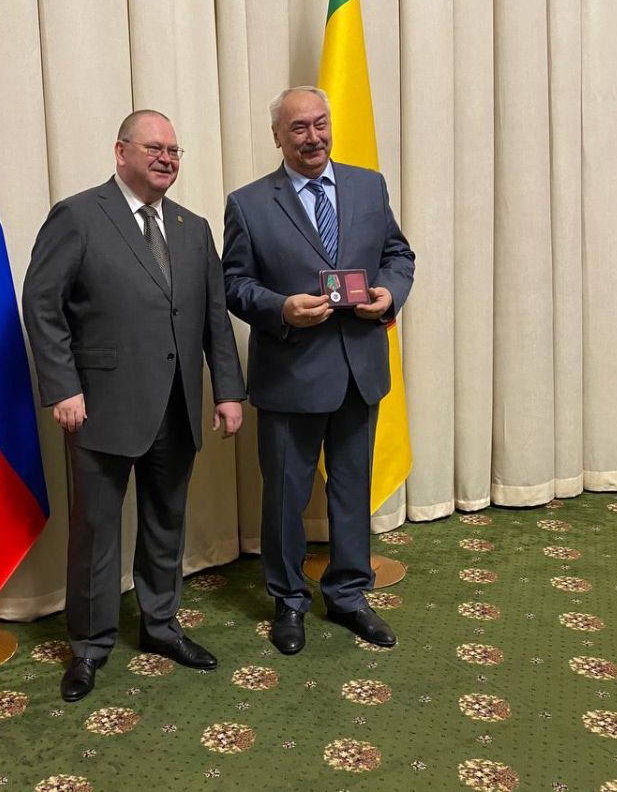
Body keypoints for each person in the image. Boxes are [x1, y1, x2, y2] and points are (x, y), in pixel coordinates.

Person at [23, 110, 245, 702]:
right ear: (121, 152)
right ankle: (89, 646)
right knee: (96, 531)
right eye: (154, 148)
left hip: (177, 404)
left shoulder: (194, 228)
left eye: (174, 150)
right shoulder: (78, 215)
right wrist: (62, 386)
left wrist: (228, 391)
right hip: (100, 407)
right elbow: (42, 303)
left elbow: (213, 317)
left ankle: (161, 626)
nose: (166, 158)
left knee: (166, 523)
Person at [221, 86, 415, 655]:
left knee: (353, 490)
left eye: (320, 124)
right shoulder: (248, 204)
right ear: (277, 137)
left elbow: (398, 255)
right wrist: (281, 308)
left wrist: (389, 294)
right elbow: (233, 283)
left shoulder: (368, 186)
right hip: (291, 375)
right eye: (299, 128)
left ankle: (350, 595)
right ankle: (289, 601)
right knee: (286, 495)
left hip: (360, 369)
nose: (313, 137)